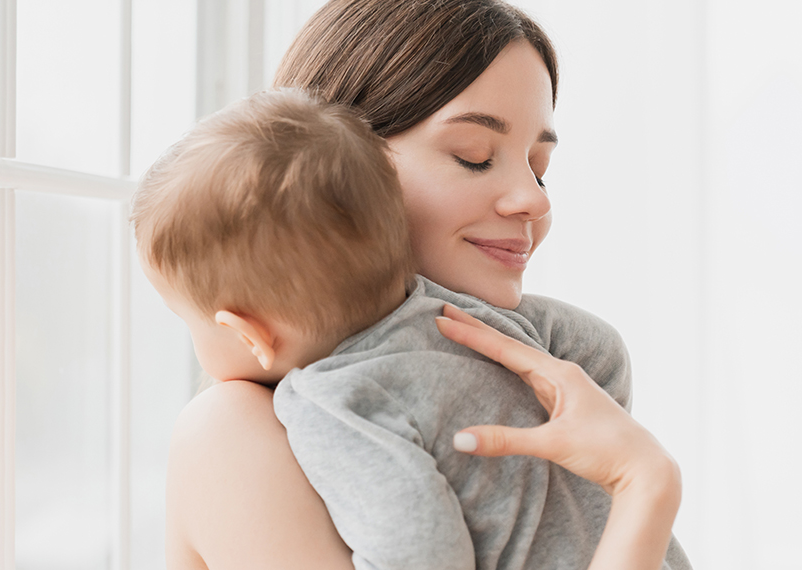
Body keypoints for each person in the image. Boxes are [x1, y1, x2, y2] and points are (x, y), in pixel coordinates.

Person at [159, 1, 692, 569]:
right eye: (475, 157)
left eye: (539, 166)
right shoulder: (234, 430)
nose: (536, 199)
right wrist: (646, 489)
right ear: (345, 164)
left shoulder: (539, 354)